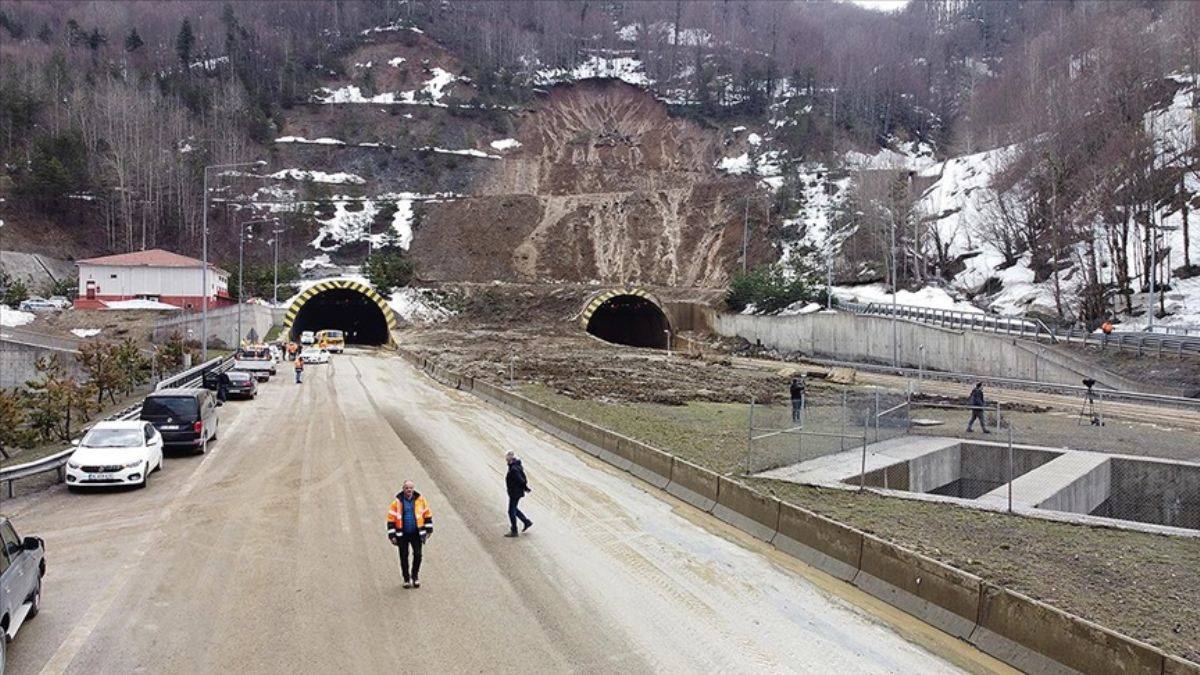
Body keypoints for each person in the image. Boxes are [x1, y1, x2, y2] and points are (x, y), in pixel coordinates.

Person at [386, 480, 433, 588]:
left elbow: (427, 514)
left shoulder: (421, 500)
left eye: (411, 488)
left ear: (413, 489)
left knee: (418, 555)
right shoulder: (396, 503)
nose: (409, 490)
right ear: (403, 489)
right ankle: (406, 579)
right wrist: (392, 535)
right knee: (403, 557)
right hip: (402, 535)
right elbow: (391, 519)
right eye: (407, 488)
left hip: (416, 533)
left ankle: (415, 576)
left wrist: (429, 530)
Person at [504, 451, 533, 537]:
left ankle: (514, 530)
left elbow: (521, 480)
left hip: (515, 493)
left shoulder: (514, 469)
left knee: (511, 511)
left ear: (511, 460)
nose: (506, 461)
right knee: (514, 508)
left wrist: (525, 488)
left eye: (507, 460)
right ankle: (526, 522)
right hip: (516, 492)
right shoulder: (516, 466)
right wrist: (525, 488)